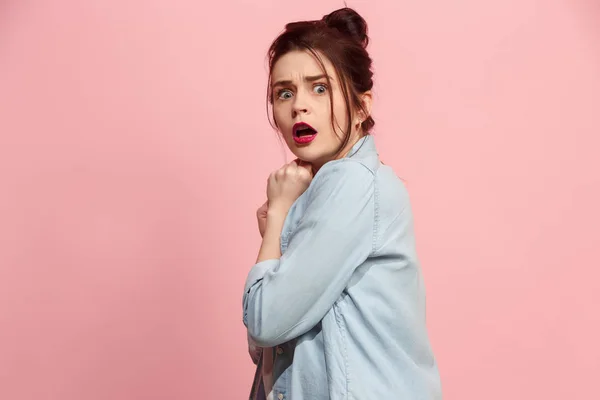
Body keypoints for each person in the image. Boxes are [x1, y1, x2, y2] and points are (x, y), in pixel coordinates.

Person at [242, 7, 443, 400]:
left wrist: (278, 215)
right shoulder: (325, 190)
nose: (299, 105)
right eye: (285, 92)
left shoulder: (353, 183)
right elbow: (265, 348)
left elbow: (265, 321)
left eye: (320, 88)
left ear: (362, 106)